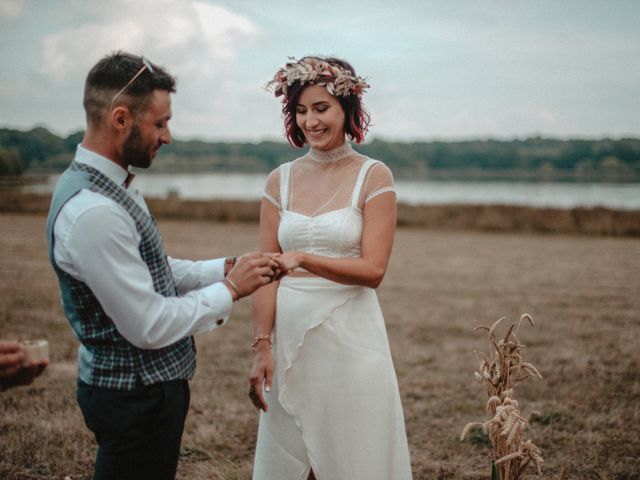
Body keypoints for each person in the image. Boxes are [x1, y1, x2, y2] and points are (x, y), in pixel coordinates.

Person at [45, 51, 277, 480]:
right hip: (134, 397)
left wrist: (223, 267)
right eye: (160, 123)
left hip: (144, 392)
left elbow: (149, 269)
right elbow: (148, 325)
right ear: (120, 119)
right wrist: (230, 290)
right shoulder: (94, 210)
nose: (167, 136)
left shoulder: (114, 184)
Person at [249, 56, 413, 479]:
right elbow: (266, 274)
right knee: (294, 456)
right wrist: (262, 345)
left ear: (347, 109)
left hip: (351, 334)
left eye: (321, 108)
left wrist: (302, 258)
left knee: (351, 453)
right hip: (291, 331)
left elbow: (374, 270)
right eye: (301, 111)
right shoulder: (278, 180)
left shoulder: (373, 176)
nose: (310, 121)